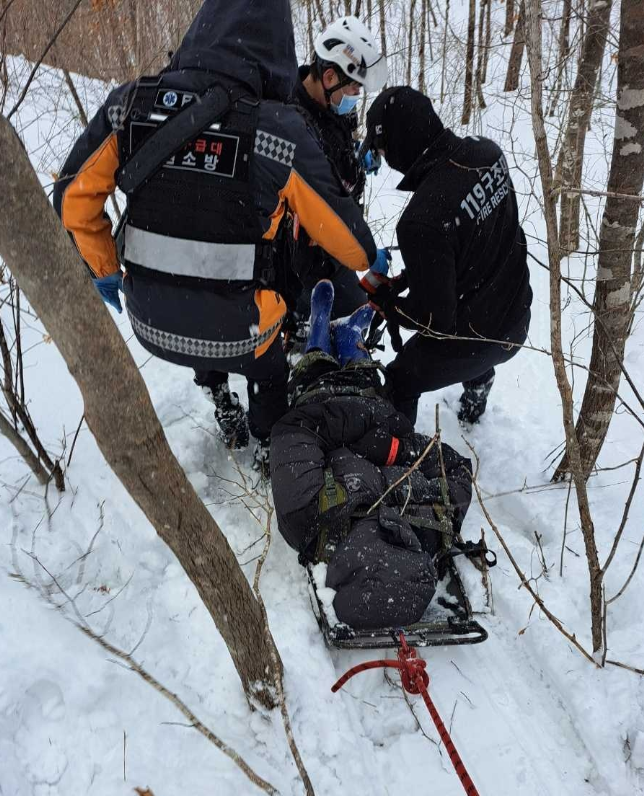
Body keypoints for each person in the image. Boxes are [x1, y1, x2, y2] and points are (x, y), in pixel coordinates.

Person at [53, 0, 378, 468]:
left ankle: (219, 396)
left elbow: (71, 201)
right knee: (265, 365)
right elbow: (353, 246)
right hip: (240, 330)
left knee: (197, 299)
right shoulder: (277, 130)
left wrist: (105, 267)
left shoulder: (131, 105)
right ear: (277, 51)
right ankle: (268, 444)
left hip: (147, 320)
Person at [270, 280, 473, 630]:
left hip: (321, 402)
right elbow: (455, 467)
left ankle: (320, 327)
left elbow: (296, 430)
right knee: (363, 370)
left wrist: (363, 434)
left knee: (315, 364)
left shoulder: (306, 518)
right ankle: (350, 338)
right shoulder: (433, 523)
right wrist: (396, 448)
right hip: (373, 407)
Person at [361, 86, 533, 425]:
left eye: (381, 149)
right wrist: (407, 280)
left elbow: (434, 322)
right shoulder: (487, 154)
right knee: (473, 319)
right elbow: (467, 242)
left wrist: (388, 305)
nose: (384, 158)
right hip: (517, 312)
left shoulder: (421, 221)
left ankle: (402, 463)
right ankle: (478, 385)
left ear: (397, 144)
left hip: (480, 339)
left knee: (399, 380)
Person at [285, 16, 388, 333]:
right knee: (353, 323)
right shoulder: (292, 124)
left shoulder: (330, 102)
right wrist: (363, 250)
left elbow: (339, 141)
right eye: (354, 87)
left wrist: (357, 154)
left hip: (337, 237)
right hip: (308, 255)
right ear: (328, 76)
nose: (356, 94)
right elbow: (324, 197)